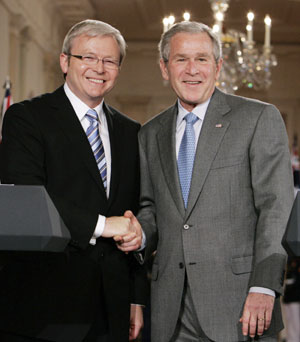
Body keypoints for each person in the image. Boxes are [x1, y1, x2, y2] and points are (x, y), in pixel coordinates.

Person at [117, 21, 294, 341]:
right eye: (181, 59)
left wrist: (264, 285)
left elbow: (276, 208)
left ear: (218, 66)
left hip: (241, 304)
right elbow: (150, 207)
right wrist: (140, 234)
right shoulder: (150, 133)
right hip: (170, 309)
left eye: (201, 59)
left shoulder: (257, 118)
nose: (192, 70)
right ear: (164, 67)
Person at [0, 19, 146, 342]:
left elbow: (133, 212)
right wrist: (102, 225)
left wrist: (136, 296)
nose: (99, 68)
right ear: (65, 62)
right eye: (88, 57)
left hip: (112, 309)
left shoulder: (130, 132)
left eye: (110, 61)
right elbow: (28, 199)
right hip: (45, 307)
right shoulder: (27, 119)